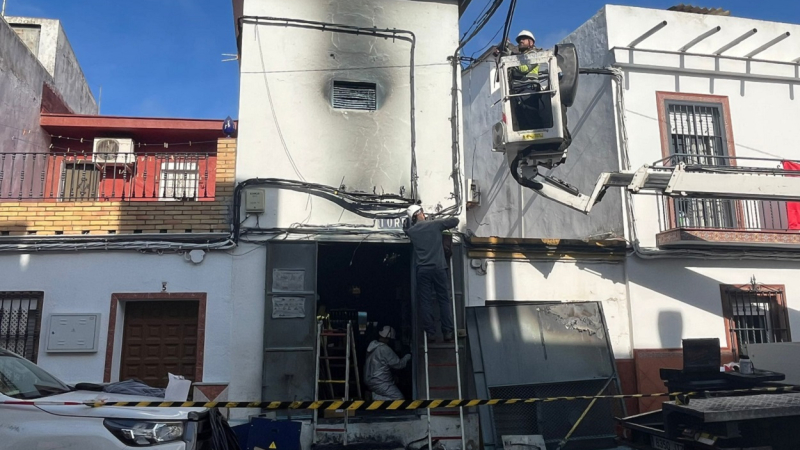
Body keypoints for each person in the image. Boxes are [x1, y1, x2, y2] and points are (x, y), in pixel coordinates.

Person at [404, 205, 459, 342]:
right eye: (422, 212)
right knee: (444, 300)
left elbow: (405, 229)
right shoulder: (435, 225)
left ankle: (430, 333)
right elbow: (455, 221)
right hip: (439, 267)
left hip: (423, 270)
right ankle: (447, 332)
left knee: (425, 301)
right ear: (419, 214)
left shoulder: (412, 231)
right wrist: (438, 219)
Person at [364, 326, 411, 400]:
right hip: (380, 382)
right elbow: (399, 365)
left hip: (370, 380)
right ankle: (373, 396)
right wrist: (407, 356)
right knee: (399, 399)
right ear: (388, 338)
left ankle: (373, 395)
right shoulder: (385, 349)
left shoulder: (372, 346)